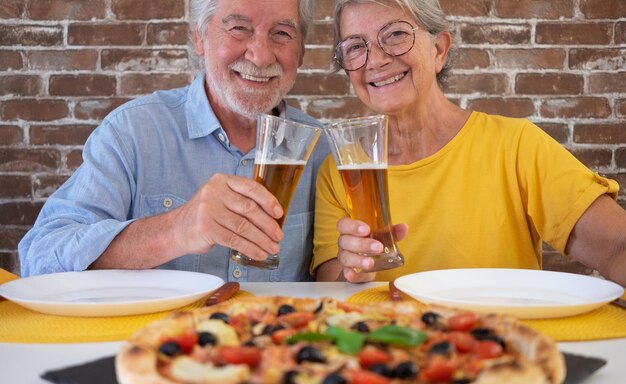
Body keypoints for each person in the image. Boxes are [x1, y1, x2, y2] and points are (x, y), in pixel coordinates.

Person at [312, 0, 626, 286]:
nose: (375, 60)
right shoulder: (341, 168)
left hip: (499, 343)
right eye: (355, 46)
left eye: (394, 34)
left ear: (439, 50)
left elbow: (617, 247)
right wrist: (356, 270)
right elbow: (331, 291)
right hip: (387, 346)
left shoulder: (516, 147)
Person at [19, 0, 329, 282]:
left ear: (301, 52)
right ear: (200, 38)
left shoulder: (324, 149)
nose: (261, 56)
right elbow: (40, 256)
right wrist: (176, 229)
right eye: (238, 28)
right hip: (157, 341)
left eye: (282, 34)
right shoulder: (133, 131)